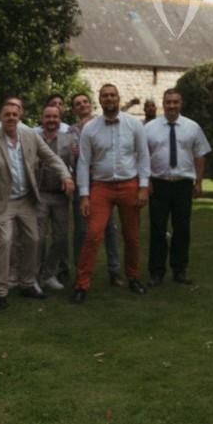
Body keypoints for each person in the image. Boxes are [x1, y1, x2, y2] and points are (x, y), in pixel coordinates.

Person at [0, 99, 74, 311]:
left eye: (15, 114)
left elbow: (52, 158)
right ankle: (0, 291)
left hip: (26, 200)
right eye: (7, 114)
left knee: (34, 239)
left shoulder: (30, 136)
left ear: (20, 116)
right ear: (0, 118)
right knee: (4, 241)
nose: (12, 117)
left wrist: (66, 176)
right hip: (3, 201)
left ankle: (27, 283)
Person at [71, 83, 150, 303]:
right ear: (100, 99)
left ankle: (133, 277)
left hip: (129, 185)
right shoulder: (90, 128)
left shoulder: (134, 124)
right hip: (101, 187)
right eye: (105, 96)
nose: (109, 99)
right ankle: (82, 284)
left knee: (132, 236)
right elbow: (84, 163)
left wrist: (143, 187)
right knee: (93, 235)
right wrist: (84, 195)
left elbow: (143, 157)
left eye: (112, 95)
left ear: (118, 97)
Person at [144, 88, 210, 286]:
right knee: (157, 229)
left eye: (175, 102)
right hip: (158, 185)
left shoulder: (193, 127)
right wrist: (145, 181)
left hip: (183, 185)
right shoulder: (150, 128)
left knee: (182, 229)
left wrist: (198, 181)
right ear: (163, 104)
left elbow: (200, 154)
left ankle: (179, 270)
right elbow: (143, 157)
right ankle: (156, 272)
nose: (172, 105)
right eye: (168, 102)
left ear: (181, 104)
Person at [67, 92, 122, 286]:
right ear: (74, 110)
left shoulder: (103, 124)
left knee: (109, 228)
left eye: (84, 102)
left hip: (101, 180)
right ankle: (80, 270)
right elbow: (70, 160)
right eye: (77, 104)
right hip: (81, 182)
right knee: (82, 230)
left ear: (91, 105)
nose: (82, 105)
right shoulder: (71, 131)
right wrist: (72, 154)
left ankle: (114, 271)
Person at [35, 103, 75, 291]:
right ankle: (35, 276)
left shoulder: (69, 140)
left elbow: (74, 166)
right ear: (42, 119)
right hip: (40, 194)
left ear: (60, 119)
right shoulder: (33, 139)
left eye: (55, 117)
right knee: (38, 238)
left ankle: (48, 274)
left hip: (60, 197)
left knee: (60, 238)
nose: (51, 120)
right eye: (48, 117)